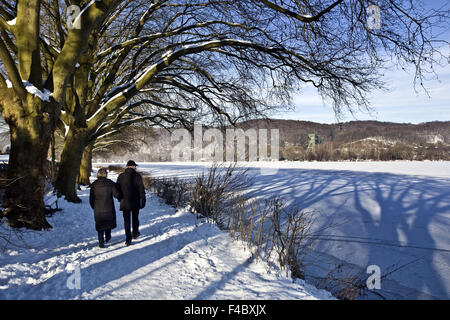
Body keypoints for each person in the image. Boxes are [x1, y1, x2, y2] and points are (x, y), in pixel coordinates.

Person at [89, 168, 121, 248]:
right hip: (108, 206)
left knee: (100, 224)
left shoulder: (94, 185)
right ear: (106, 174)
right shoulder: (110, 183)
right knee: (108, 222)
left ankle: (101, 242)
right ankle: (108, 236)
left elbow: (91, 199)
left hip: (98, 208)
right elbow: (116, 194)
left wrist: (94, 207)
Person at [116, 160, 146, 246]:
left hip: (125, 202)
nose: (136, 168)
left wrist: (119, 198)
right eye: (135, 166)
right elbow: (141, 189)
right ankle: (135, 233)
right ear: (132, 166)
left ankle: (128, 239)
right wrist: (143, 200)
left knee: (127, 221)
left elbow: (117, 189)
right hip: (135, 202)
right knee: (135, 218)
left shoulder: (121, 176)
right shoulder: (137, 176)